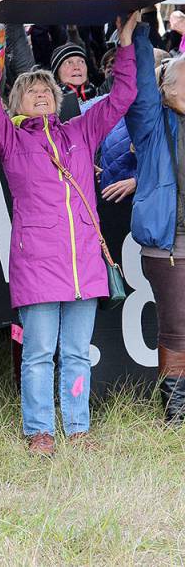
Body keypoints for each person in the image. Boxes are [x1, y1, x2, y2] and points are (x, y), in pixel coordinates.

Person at [0, 13, 139, 455]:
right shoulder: (10, 139)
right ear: (19, 102)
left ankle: (77, 425)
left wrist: (124, 43)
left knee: (75, 352)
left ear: (59, 98)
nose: (42, 94)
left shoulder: (81, 133)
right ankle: (39, 430)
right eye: (32, 91)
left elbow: (123, 95)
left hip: (84, 261)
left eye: (47, 89)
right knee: (37, 353)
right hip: (36, 263)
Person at [124, 23, 185, 424]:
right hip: (170, 246)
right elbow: (141, 84)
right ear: (166, 87)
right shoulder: (152, 123)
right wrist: (138, 33)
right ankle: (176, 413)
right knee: (178, 329)